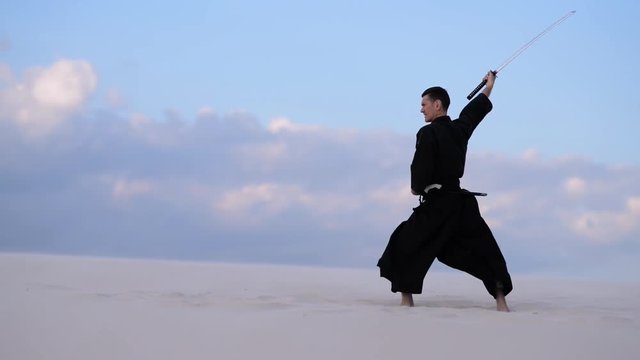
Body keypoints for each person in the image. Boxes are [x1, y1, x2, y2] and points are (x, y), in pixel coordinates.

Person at [377, 71, 512, 312]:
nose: (421, 110)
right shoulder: (460, 128)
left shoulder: (427, 133)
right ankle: (501, 302)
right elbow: (475, 110)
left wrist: (416, 188)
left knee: (403, 243)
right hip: (461, 204)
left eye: (424, 104)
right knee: (484, 249)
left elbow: (421, 166)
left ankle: (406, 301)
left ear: (437, 105)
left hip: (437, 204)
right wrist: (489, 86)